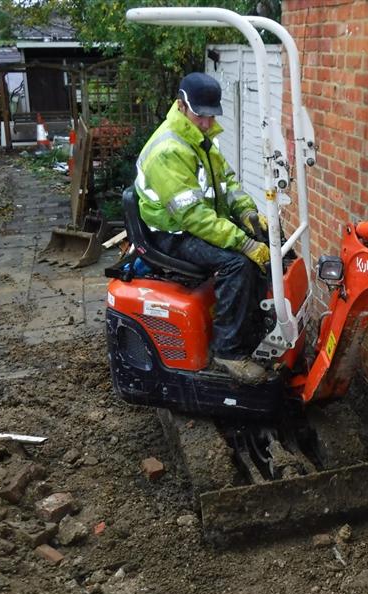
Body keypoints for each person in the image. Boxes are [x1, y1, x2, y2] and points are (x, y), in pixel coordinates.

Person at [134, 72, 271, 385]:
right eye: (201, 115)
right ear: (182, 106)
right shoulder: (169, 150)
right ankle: (229, 352)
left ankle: (251, 327)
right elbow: (192, 216)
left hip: (197, 222)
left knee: (260, 245)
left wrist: (247, 213)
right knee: (237, 263)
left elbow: (228, 183)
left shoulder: (200, 138)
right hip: (171, 234)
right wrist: (243, 244)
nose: (207, 123)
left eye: (211, 115)